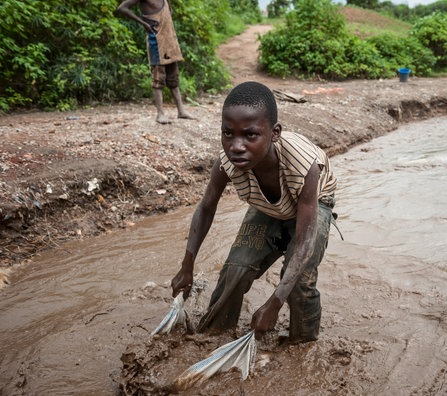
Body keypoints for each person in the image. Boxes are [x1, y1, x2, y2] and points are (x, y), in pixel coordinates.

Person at [170, 81, 338, 343]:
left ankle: (302, 346)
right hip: (268, 207)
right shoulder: (227, 164)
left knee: (299, 283)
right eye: (228, 134)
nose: (236, 146)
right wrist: (186, 266)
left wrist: (274, 304)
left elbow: (304, 242)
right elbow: (206, 208)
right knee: (235, 270)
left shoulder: (303, 165)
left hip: (313, 204)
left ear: (274, 133)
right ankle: (213, 336)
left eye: (250, 135)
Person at [116, 0, 195, 124]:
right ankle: (160, 114)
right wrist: (143, 23)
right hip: (156, 41)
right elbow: (122, 8)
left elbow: (167, 13)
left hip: (169, 41)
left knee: (173, 78)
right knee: (158, 78)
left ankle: (181, 111)